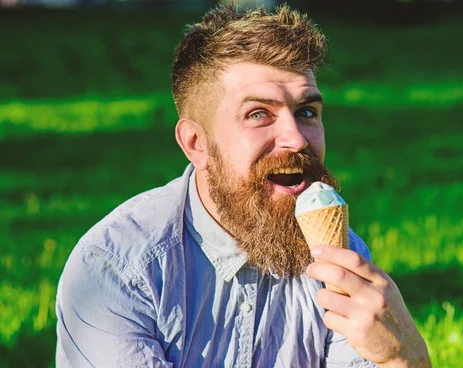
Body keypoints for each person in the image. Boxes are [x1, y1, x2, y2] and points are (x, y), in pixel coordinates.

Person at [55, 4, 431, 368]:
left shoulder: (337, 261)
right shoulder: (116, 272)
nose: (297, 139)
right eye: (258, 114)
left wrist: (405, 358)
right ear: (196, 144)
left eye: (306, 112)